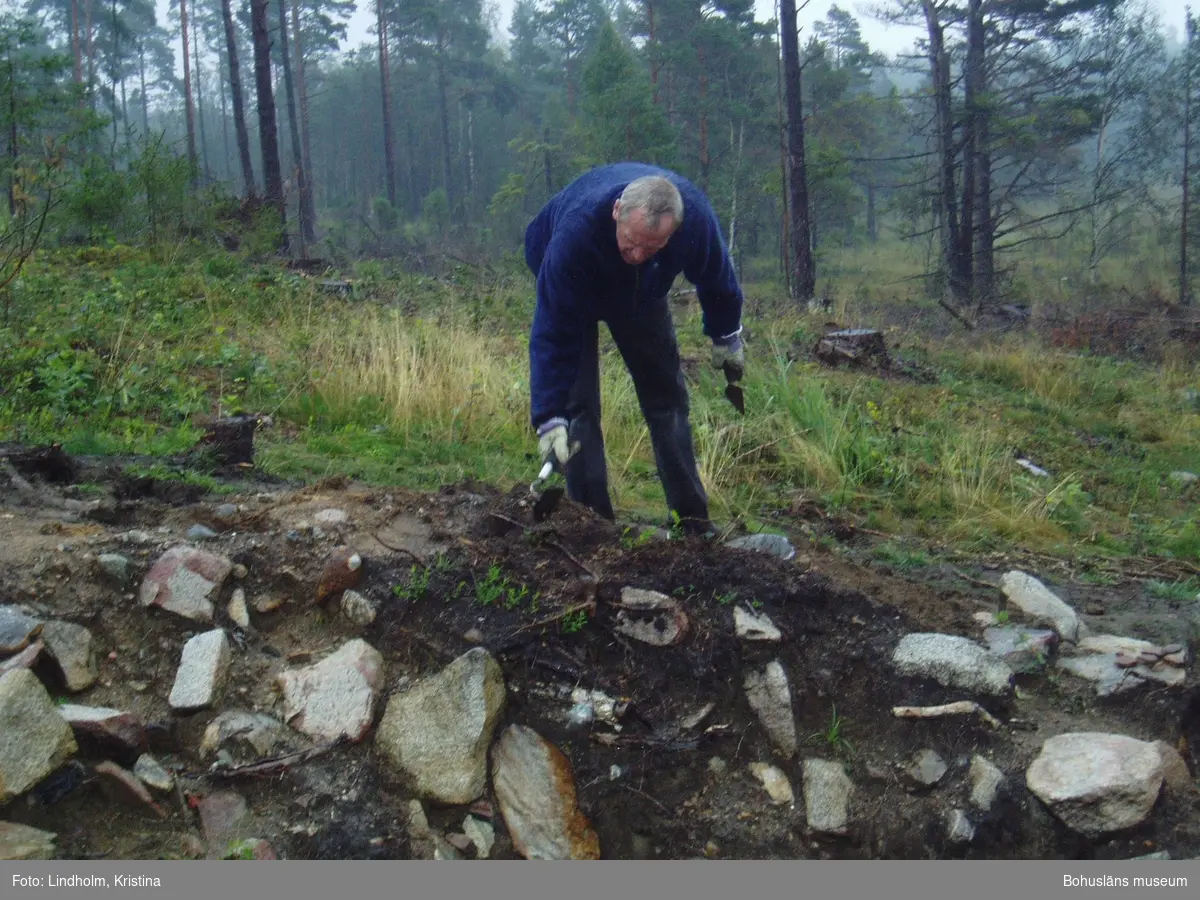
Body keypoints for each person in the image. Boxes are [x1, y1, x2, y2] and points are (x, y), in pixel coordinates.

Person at [523, 162, 745, 536]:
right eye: (632, 242)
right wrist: (548, 415)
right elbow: (552, 330)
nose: (638, 254)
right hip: (578, 285)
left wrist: (726, 335)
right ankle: (593, 524)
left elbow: (718, 277)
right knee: (578, 410)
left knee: (668, 400)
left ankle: (691, 521)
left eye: (652, 247)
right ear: (617, 213)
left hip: (643, 294)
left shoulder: (693, 220)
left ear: (674, 231)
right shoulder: (574, 236)